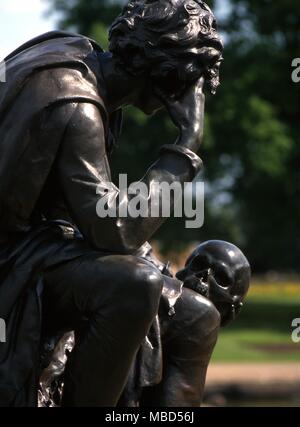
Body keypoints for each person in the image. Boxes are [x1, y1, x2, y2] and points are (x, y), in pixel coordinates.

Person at [0, 0, 223, 406]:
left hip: (40, 246)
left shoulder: (76, 55)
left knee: (197, 318)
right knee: (136, 284)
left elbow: (85, 209)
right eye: (191, 82)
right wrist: (186, 144)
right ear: (168, 75)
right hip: (11, 261)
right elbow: (116, 229)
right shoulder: (77, 105)